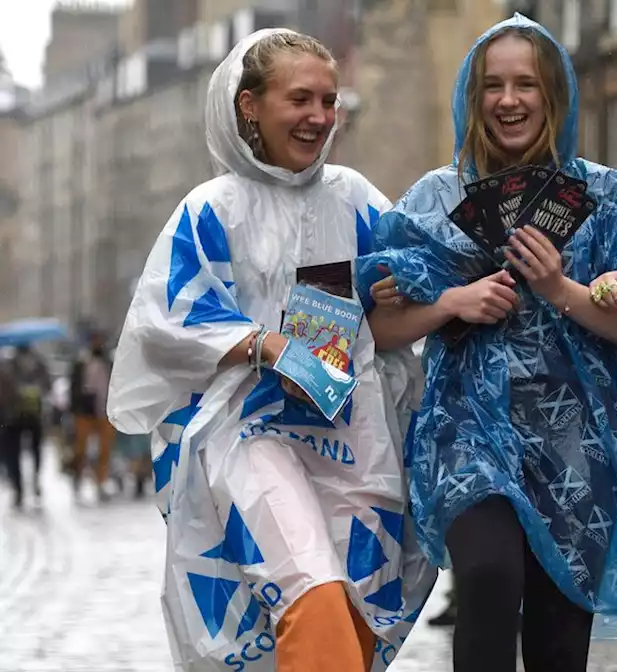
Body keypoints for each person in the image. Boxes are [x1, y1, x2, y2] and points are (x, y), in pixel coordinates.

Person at [357, 14, 617, 672]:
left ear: (554, 94)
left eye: (526, 84)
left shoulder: (608, 196)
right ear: (470, 100)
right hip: (467, 429)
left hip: (576, 441)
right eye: (492, 87)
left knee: (561, 636)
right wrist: (452, 303)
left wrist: (561, 287)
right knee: (488, 575)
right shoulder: (433, 198)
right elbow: (379, 327)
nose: (509, 101)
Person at [106, 29, 433, 672]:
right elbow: (163, 323)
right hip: (249, 433)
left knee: (360, 614)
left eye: (330, 101)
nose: (319, 117)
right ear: (249, 105)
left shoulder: (357, 198)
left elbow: (400, 301)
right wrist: (262, 343)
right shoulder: (211, 209)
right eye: (300, 99)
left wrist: (412, 291)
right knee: (310, 592)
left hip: (352, 431)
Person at [69, 332, 114, 499]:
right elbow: (74, 387)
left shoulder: (108, 362)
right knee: (81, 448)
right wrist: (75, 408)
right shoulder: (82, 362)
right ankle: (78, 475)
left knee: (104, 449)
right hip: (85, 411)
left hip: (105, 411)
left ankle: (101, 481)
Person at [5, 344, 51, 507]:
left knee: (35, 452)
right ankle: (18, 488)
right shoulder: (8, 367)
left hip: (33, 415)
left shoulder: (38, 364)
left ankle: (35, 481)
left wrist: (36, 389)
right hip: (12, 417)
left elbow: (47, 386)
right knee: (12, 455)